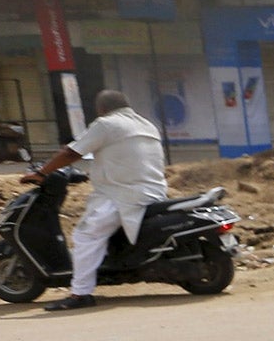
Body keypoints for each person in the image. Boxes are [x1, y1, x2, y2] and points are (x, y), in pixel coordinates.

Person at [22, 89, 167, 311]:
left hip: (122, 195)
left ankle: (80, 294)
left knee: (85, 236)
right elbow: (127, 158)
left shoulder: (106, 124)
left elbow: (72, 153)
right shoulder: (146, 124)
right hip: (154, 191)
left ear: (101, 109)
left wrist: (42, 172)